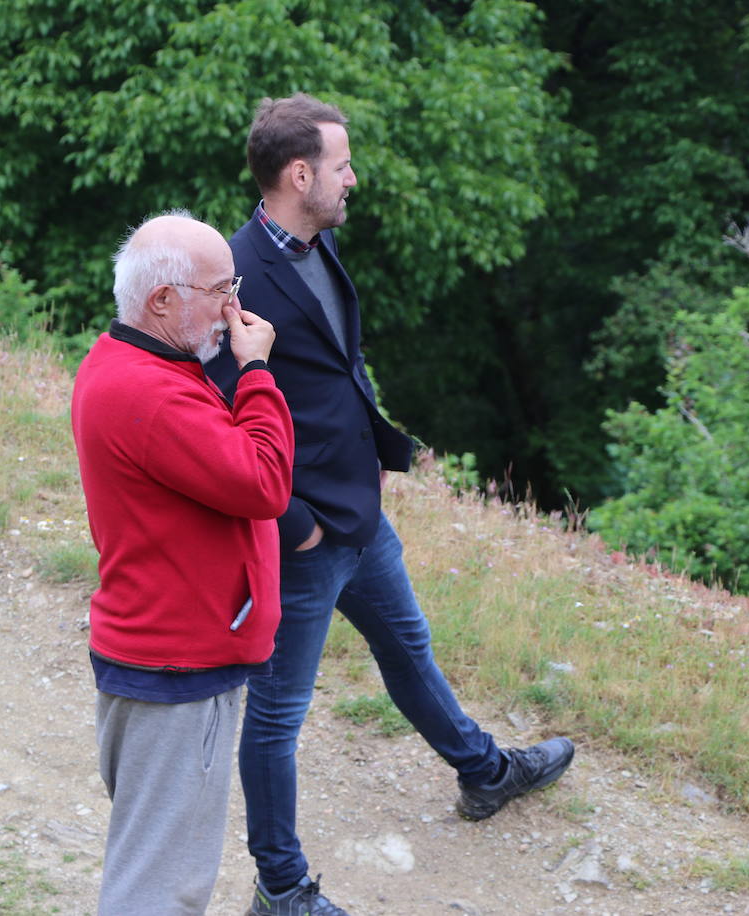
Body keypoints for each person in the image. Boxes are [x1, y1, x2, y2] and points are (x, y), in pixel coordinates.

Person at [206, 94, 576, 916]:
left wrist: (375, 452)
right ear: (299, 173)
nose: (353, 179)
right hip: (303, 538)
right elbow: (221, 422)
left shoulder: (314, 246)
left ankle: (483, 774)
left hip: (360, 517)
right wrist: (292, 525)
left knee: (408, 645)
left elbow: (344, 359)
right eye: (342, 165)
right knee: (275, 719)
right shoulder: (236, 276)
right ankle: (279, 889)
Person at [71, 211, 293, 915]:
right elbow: (264, 483)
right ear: (163, 301)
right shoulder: (152, 392)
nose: (234, 309)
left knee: (151, 862)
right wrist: (256, 370)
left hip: (157, 653)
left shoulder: (132, 365)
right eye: (221, 290)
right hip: (178, 668)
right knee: (161, 888)